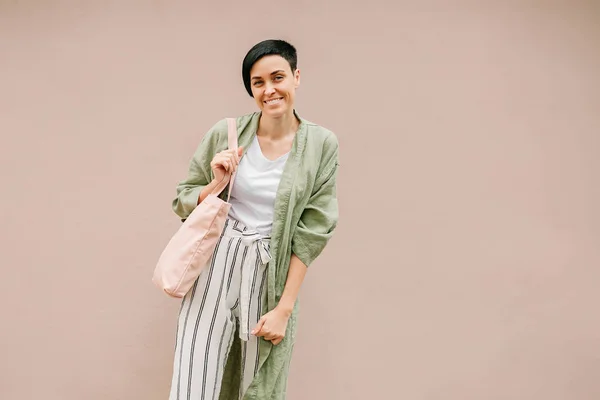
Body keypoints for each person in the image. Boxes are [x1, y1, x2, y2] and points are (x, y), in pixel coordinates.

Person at [168, 39, 340, 400]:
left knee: (258, 385)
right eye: (258, 82)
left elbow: (312, 233)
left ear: (296, 77)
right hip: (214, 266)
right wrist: (217, 181)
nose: (269, 89)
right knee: (192, 384)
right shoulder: (227, 133)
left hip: (268, 271)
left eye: (277, 77)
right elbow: (183, 199)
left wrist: (285, 308)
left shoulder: (322, 144)